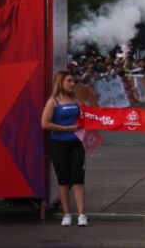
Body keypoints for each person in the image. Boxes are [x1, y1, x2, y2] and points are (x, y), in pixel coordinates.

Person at [40, 71, 88, 227]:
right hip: (59, 145)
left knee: (78, 179)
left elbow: (87, 115)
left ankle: (81, 214)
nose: (72, 84)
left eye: (73, 81)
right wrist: (67, 128)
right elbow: (45, 124)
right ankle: (67, 214)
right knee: (63, 181)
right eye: (69, 81)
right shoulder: (52, 101)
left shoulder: (76, 99)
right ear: (60, 82)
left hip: (76, 145)